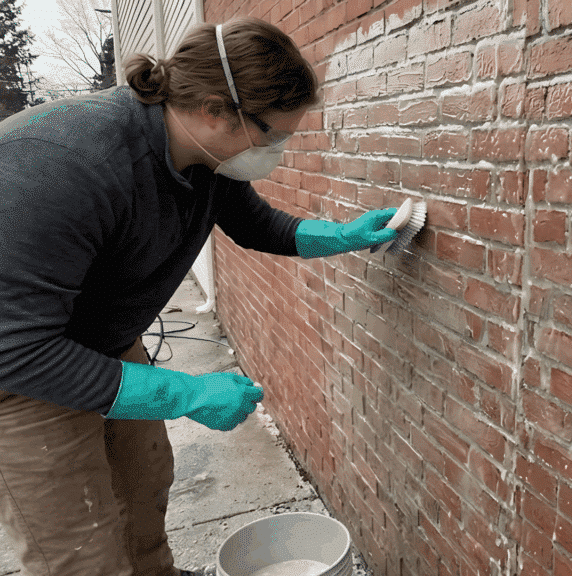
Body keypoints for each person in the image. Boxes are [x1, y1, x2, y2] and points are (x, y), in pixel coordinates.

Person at [0, 17, 395, 576]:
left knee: (144, 488)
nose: (277, 150)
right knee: (80, 547)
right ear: (214, 109)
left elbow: (254, 224)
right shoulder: (67, 163)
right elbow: (17, 349)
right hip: (20, 374)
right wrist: (182, 394)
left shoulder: (205, 157)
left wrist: (343, 235)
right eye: (272, 135)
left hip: (102, 340)